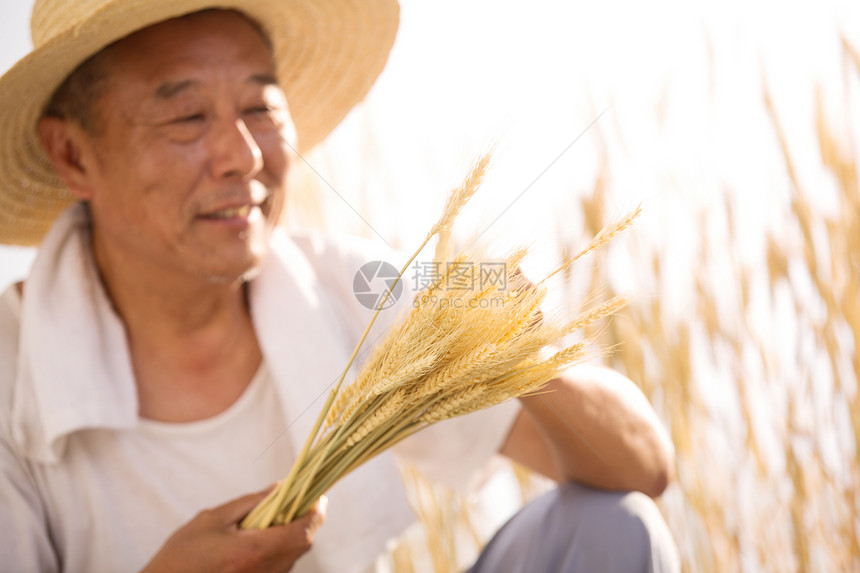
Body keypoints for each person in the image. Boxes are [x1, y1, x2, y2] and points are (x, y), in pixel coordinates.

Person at [0, 1, 679, 571]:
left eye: (260, 108)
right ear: (73, 154)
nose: (243, 156)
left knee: (610, 524)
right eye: (186, 118)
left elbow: (641, 468)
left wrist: (516, 350)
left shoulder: (347, 289)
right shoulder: (11, 374)